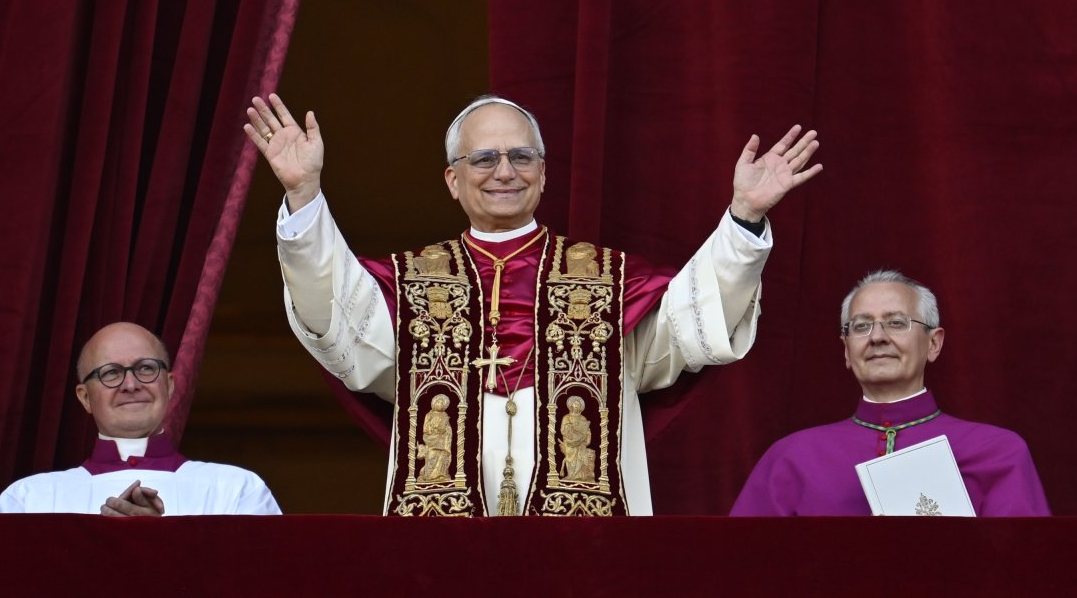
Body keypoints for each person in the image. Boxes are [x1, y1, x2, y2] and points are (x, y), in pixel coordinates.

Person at [244, 93, 821, 516]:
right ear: (451, 178)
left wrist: (744, 217)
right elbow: (334, 317)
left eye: (521, 157)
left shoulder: (606, 281)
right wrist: (303, 194)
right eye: (484, 158)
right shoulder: (410, 282)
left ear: (543, 175)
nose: (504, 172)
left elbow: (694, 321)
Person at [730, 270, 1050, 516]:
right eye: (861, 326)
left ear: (933, 343)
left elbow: (1027, 571)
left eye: (896, 323)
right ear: (846, 350)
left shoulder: (998, 453)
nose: (877, 337)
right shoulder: (791, 458)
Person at [0, 322, 281, 516]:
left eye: (145, 368)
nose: (130, 384)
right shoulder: (29, 500)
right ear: (85, 397)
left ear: (169, 385)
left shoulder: (237, 491)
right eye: (111, 373)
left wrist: (161, 544)